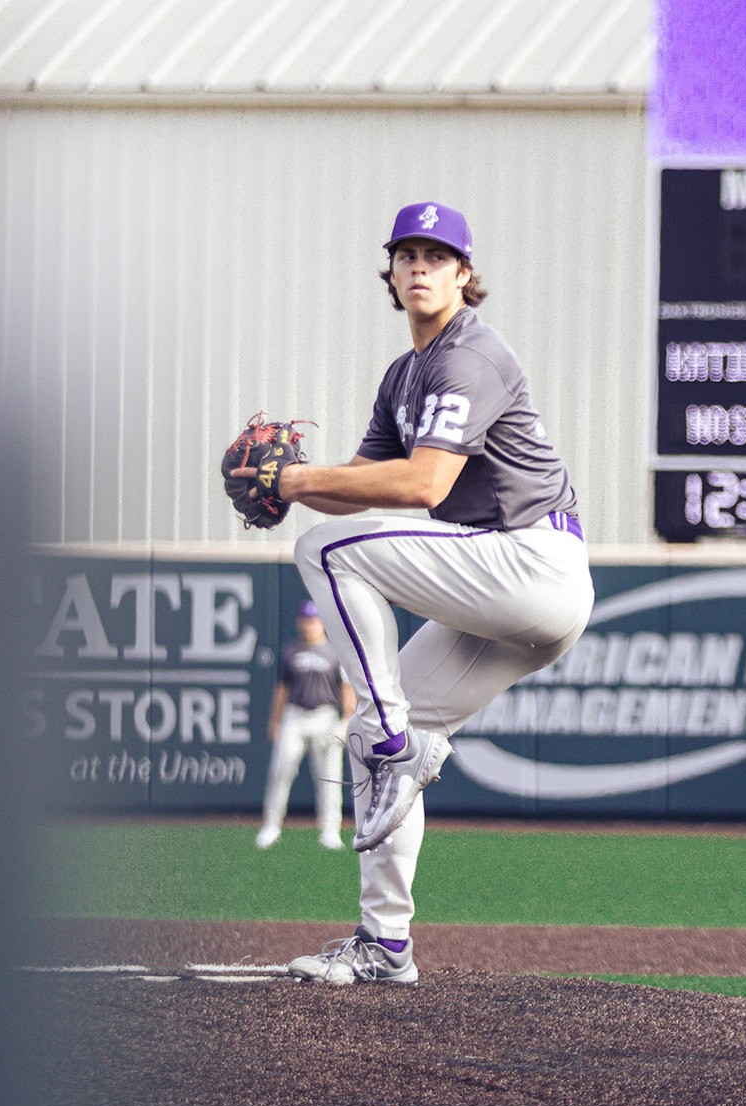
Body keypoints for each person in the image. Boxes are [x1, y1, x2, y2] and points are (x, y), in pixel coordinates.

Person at [233, 201, 595, 985]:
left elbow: (426, 484)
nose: (421, 266)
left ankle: (400, 738)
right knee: (363, 741)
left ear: (466, 277)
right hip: (498, 589)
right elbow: (365, 490)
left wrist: (294, 480)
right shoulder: (403, 376)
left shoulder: (470, 354)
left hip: (531, 563)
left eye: (439, 255)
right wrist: (296, 488)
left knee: (324, 555)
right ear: (391, 275)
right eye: (408, 255)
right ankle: (385, 943)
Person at [256, 600, 355, 850]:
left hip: (325, 715)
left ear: (321, 623)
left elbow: (346, 689)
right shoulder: (291, 651)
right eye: (306, 620)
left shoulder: (335, 652)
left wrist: (346, 719)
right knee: (281, 771)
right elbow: (281, 690)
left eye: (314, 620)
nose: (310, 625)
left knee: (330, 777)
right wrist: (274, 722)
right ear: (300, 623)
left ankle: (331, 830)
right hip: (295, 715)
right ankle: (271, 825)